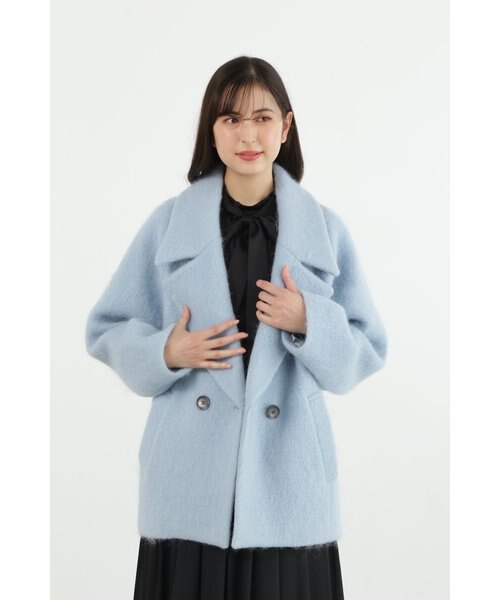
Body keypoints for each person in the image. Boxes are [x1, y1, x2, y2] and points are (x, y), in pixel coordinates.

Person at [85, 55, 388, 600]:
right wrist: (166, 352)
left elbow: (366, 350)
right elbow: (106, 327)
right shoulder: (169, 224)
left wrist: (309, 322)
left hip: (287, 484)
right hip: (189, 483)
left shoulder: (325, 231)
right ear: (212, 129)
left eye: (263, 118)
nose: (248, 135)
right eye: (230, 119)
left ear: (286, 127)